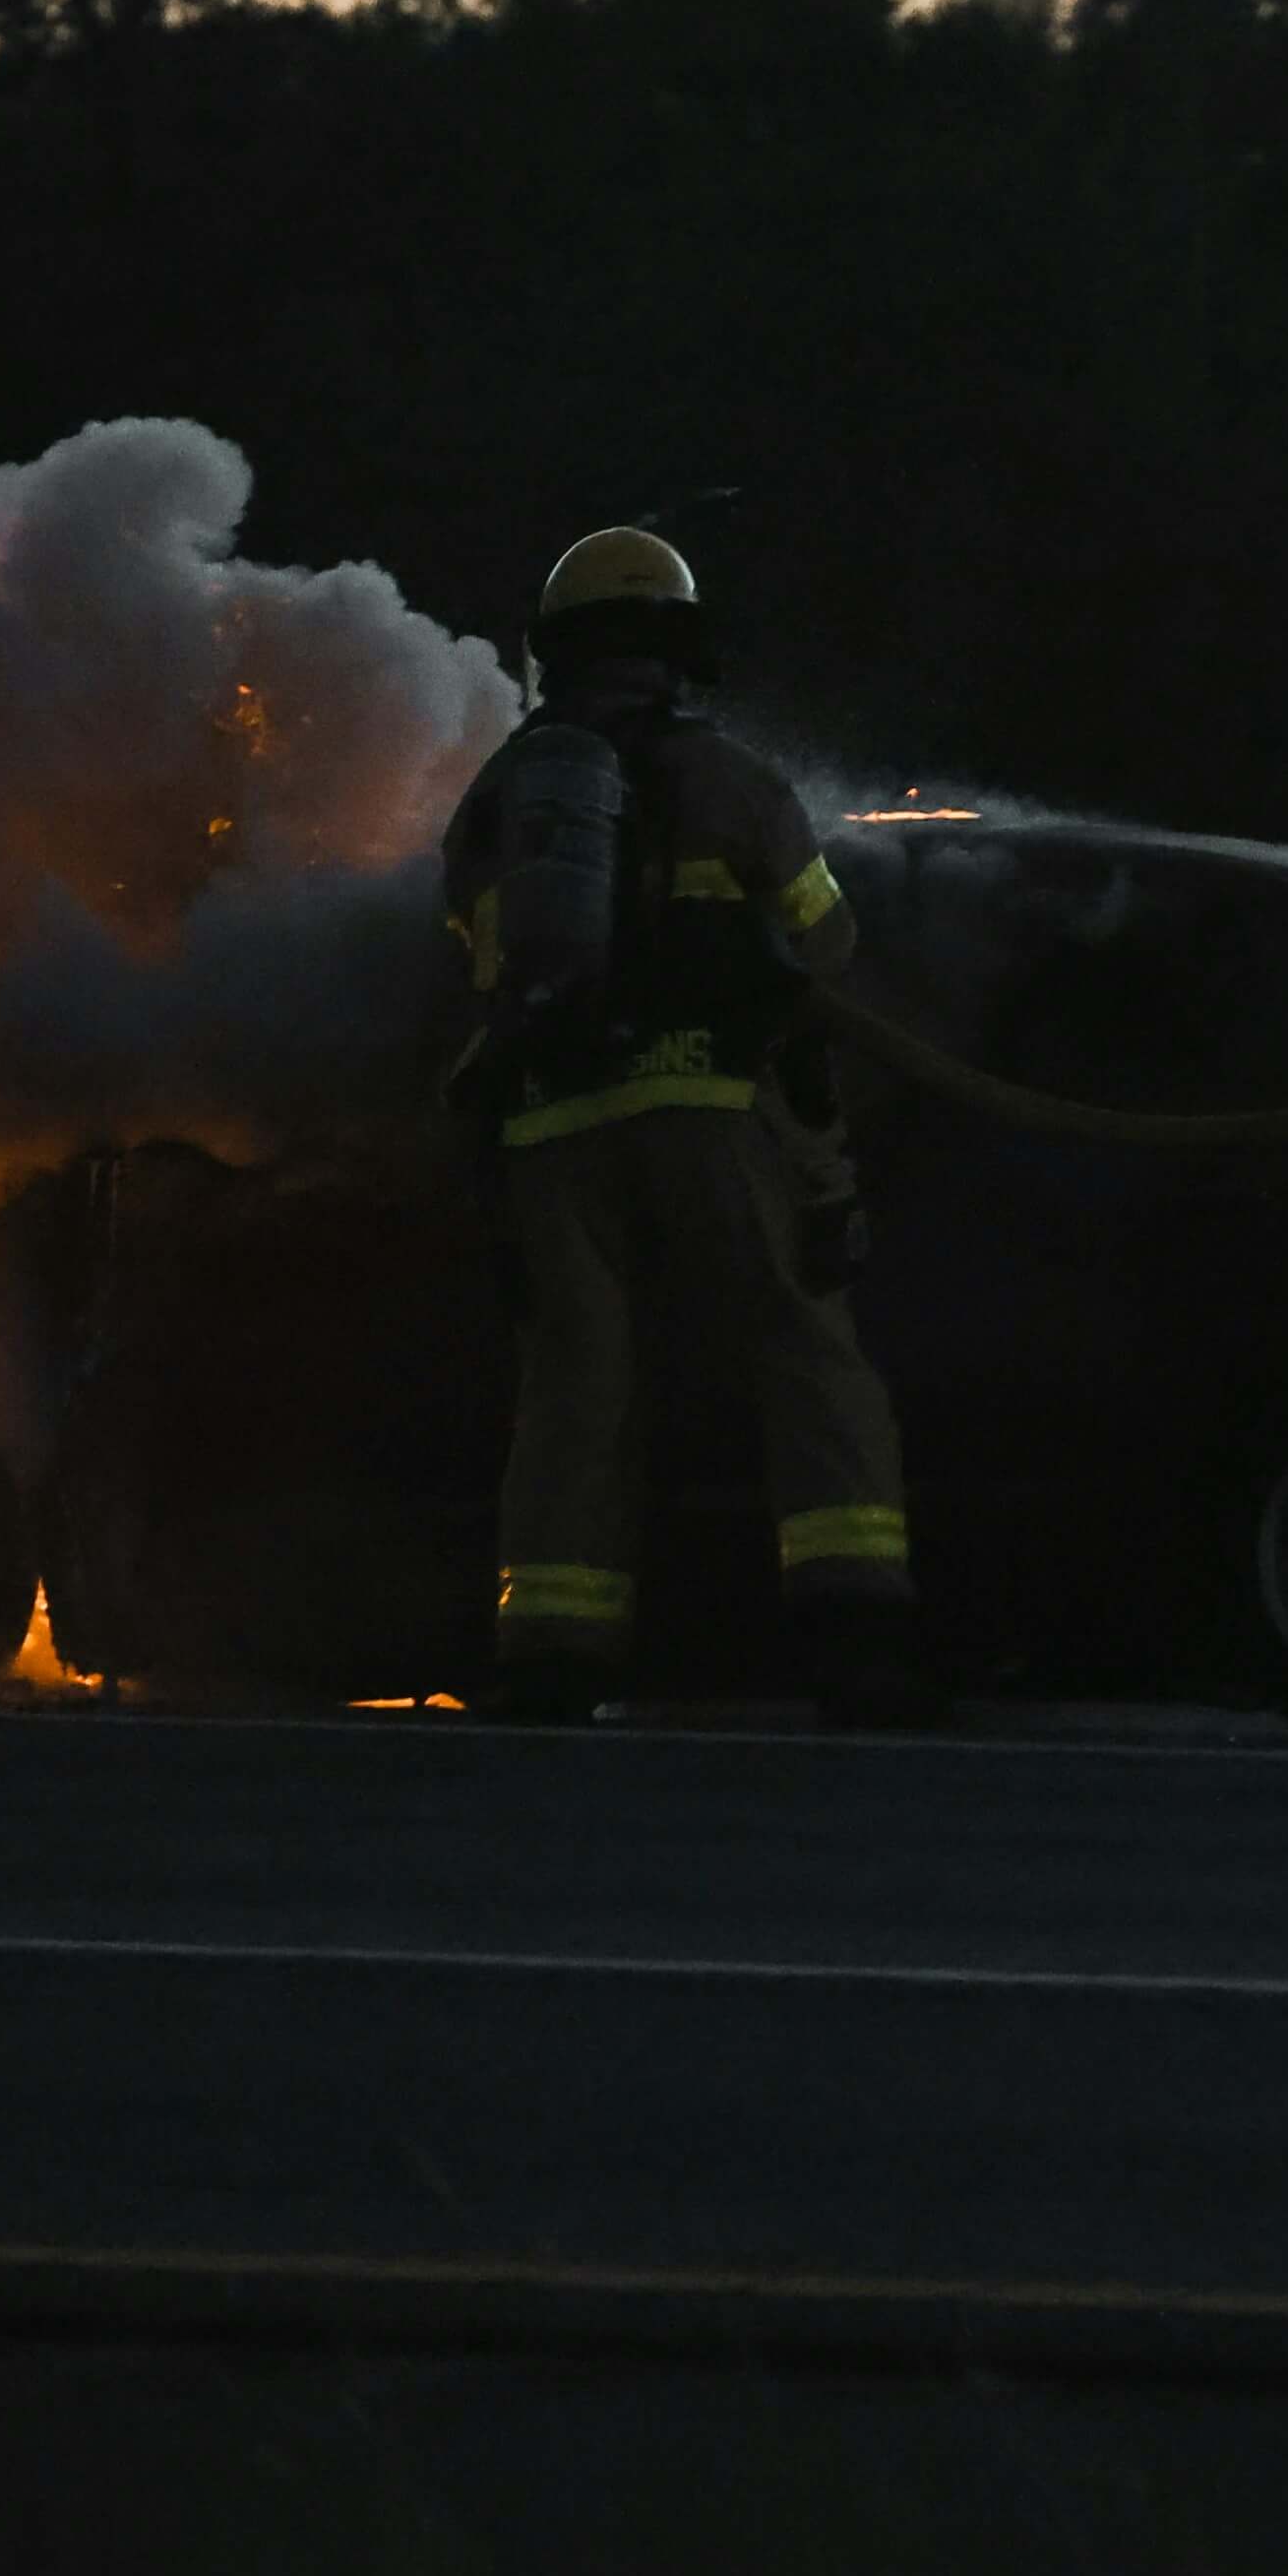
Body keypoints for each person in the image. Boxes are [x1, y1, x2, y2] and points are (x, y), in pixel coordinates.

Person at [436, 528, 931, 1727]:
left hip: (557, 1127)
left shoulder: (502, 798)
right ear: (678, 647)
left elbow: (479, 958)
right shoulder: (733, 780)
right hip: (713, 1113)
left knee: (576, 1381)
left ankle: (554, 1647)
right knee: (802, 1352)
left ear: (557, 654)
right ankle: (851, 1630)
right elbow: (824, 943)